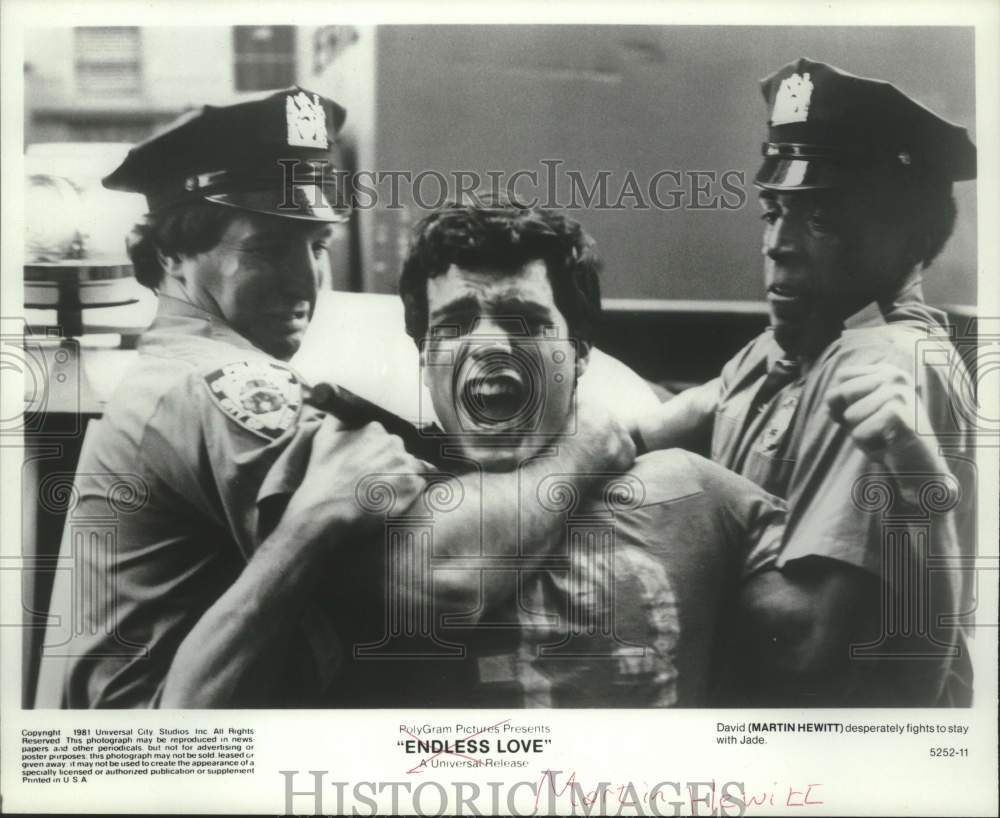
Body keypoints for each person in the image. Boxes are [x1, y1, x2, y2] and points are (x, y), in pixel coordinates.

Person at [34, 90, 634, 708]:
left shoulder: (165, 374)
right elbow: (444, 580)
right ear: (171, 255)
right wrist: (590, 445)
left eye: (317, 246)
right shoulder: (221, 384)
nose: (304, 280)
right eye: (268, 249)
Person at [314, 198, 790, 708]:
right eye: (454, 324)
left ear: (580, 351)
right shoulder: (373, 487)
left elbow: (813, 636)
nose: (490, 345)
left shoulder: (693, 491)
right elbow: (436, 586)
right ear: (424, 354)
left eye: (523, 320)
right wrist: (589, 445)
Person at [634, 58, 976, 705]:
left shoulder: (885, 362)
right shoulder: (792, 345)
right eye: (773, 211)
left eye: (817, 217)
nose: (778, 244)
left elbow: (804, 650)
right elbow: (664, 420)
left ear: (901, 235)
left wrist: (696, 509)